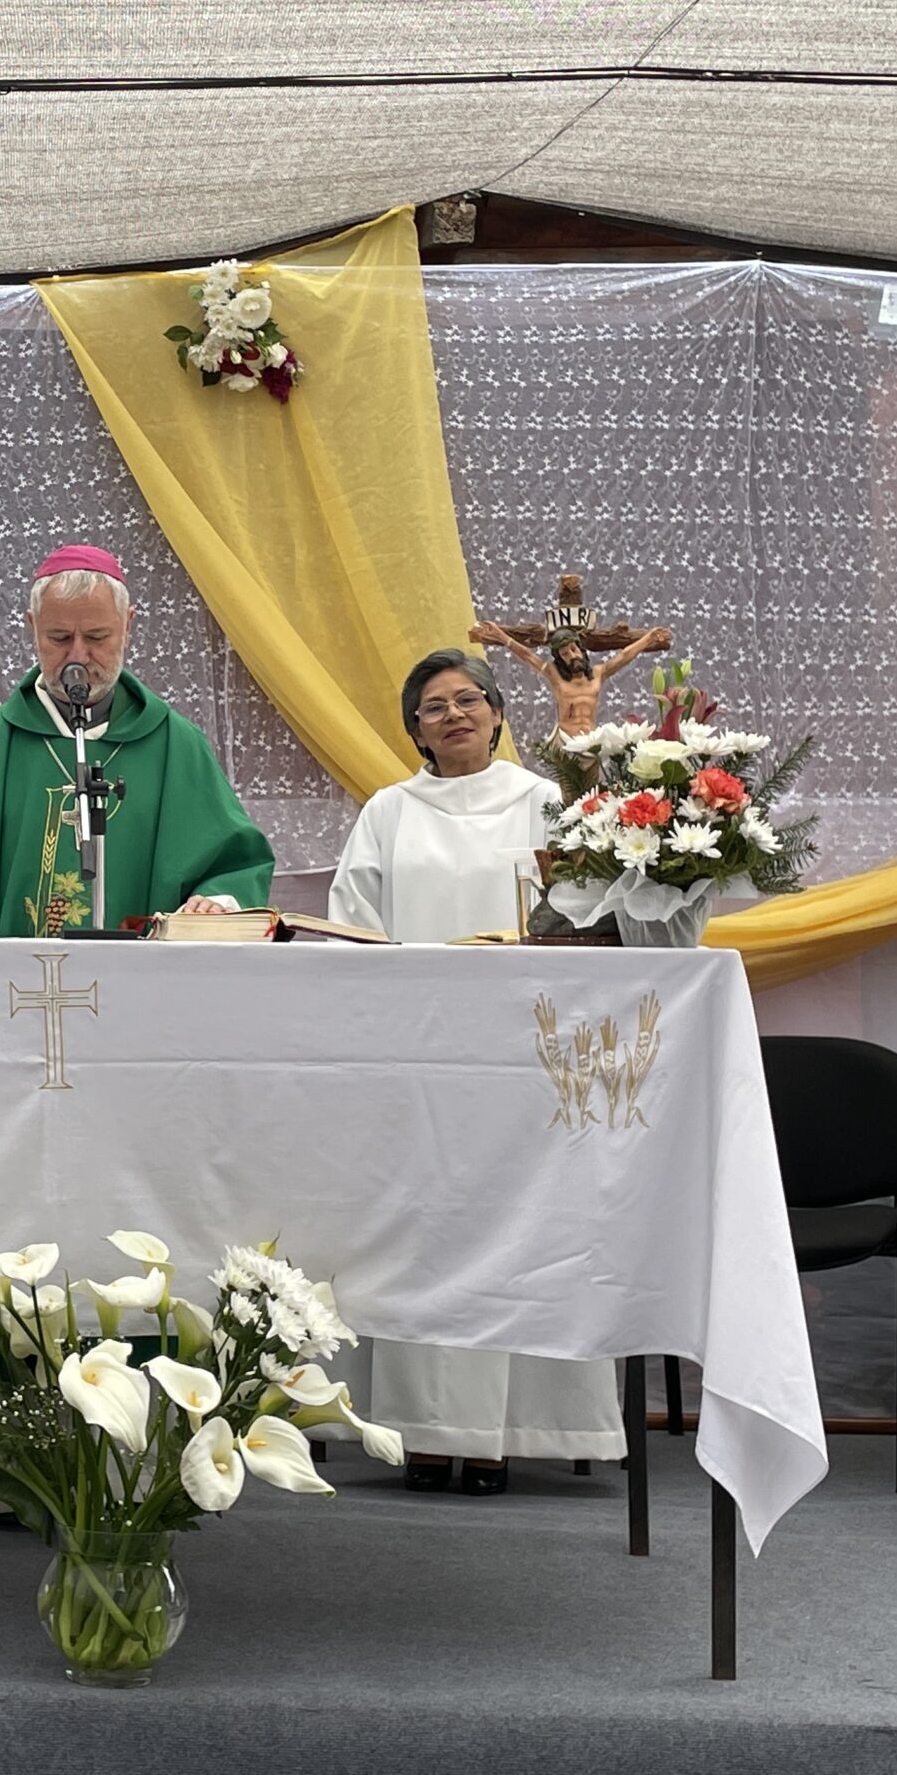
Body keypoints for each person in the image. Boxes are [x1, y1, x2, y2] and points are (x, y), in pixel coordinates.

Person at [328, 650, 626, 1493]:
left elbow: (587, 918)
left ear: (499, 713)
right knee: (425, 1236)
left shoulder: (547, 802)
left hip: (524, 1057)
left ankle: (506, 1433)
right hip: (418, 1059)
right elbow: (355, 929)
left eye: (469, 700)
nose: (453, 714)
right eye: (433, 707)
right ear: (413, 729)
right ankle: (423, 1432)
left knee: (516, 1237)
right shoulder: (390, 811)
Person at [0, 544, 273, 936]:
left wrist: (216, 902)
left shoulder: (175, 747)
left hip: (140, 994)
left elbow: (234, 865)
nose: (78, 656)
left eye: (97, 637)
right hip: (4, 993)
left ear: (128, 626)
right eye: (59, 638)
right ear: (32, 628)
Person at [470, 621, 673, 740]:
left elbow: (625, 655)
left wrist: (649, 637)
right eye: (565, 653)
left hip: (590, 740)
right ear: (560, 658)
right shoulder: (555, 675)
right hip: (565, 740)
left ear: (581, 649)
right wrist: (501, 636)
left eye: (574, 649)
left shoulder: (599, 673)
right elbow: (528, 655)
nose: (572, 655)